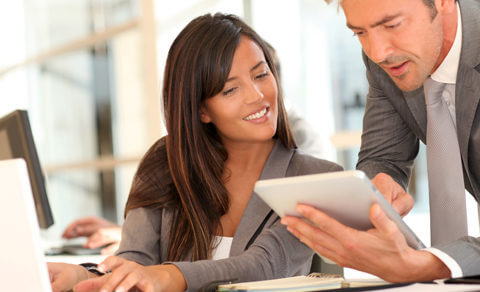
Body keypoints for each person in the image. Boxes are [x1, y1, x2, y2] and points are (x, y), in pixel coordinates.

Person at [48, 13, 342, 292]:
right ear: (202, 110)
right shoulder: (165, 163)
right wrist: (84, 275)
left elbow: (263, 267)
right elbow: (136, 262)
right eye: (230, 90)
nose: (257, 95)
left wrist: (169, 275)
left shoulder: (316, 178)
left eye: (261, 74)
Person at [282, 0, 480, 283]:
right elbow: (383, 158)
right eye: (359, 32)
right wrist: (378, 191)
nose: (377, 52)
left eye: (392, 25)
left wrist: (424, 264)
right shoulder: (387, 62)